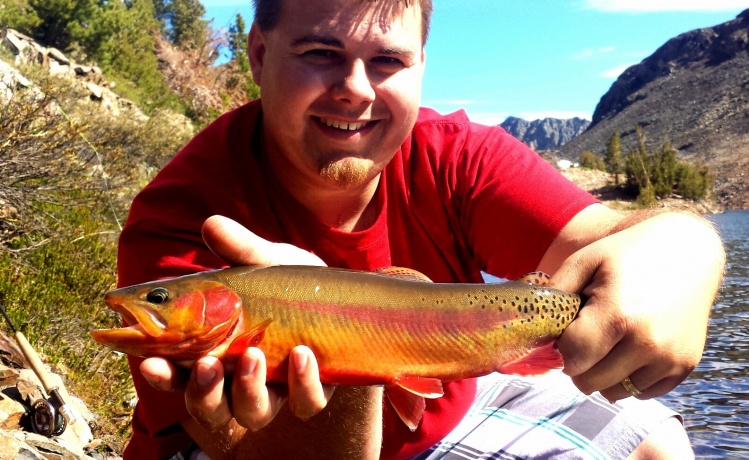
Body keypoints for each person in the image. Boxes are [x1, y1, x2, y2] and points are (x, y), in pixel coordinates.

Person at [115, 0, 725, 458]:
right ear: (258, 55)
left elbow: (617, 240)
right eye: (320, 54)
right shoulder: (182, 216)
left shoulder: (458, 156)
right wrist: (343, 353)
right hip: (262, 450)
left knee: (653, 442)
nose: (354, 90)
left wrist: (687, 250)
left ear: (422, 66)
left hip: (450, 405)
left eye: (388, 61)